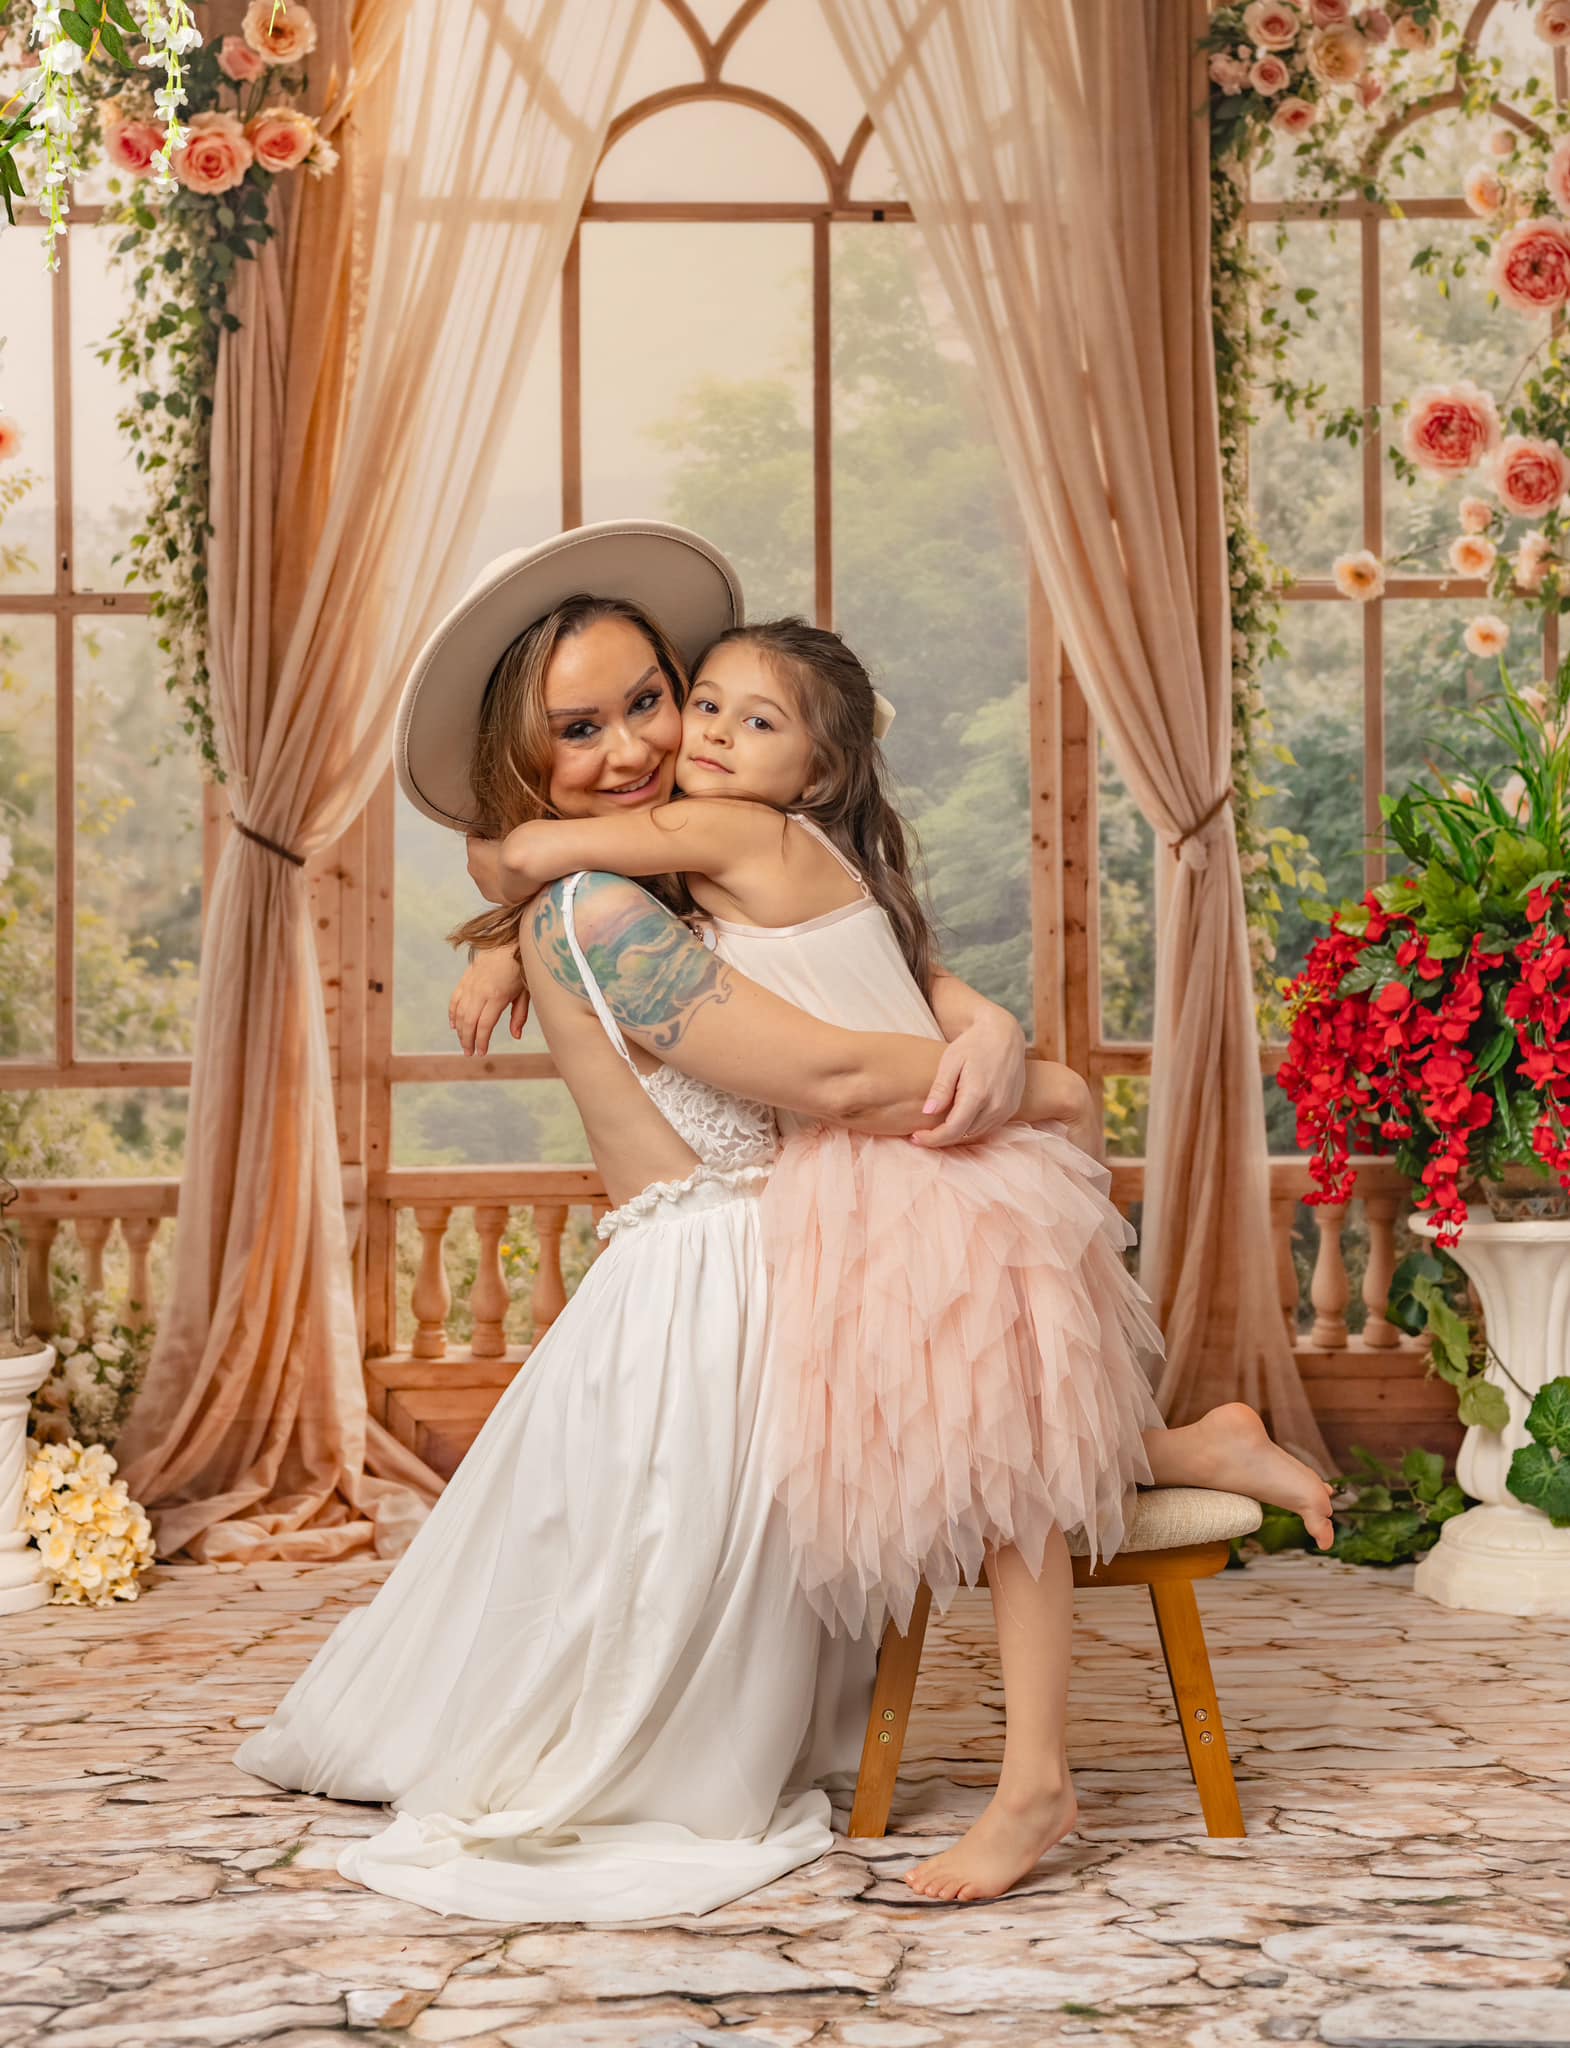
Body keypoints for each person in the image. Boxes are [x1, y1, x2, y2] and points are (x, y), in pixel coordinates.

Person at [236, 522, 1089, 1923]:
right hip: (711, 1282)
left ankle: (1108, 1609)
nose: (635, 746)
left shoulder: (675, 876)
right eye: (580, 728)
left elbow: (868, 962)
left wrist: (983, 1019)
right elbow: (819, 1069)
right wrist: (1039, 1082)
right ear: (527, 760)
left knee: (1000, 1437)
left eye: (651, 700)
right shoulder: (607, 904)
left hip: (795, 1245)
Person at [462, 609, 1338, 1904]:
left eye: (738, 721)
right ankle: (1197, 1447)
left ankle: (1034, 1778)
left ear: (811, 771)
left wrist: (502, 882)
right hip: (897, 1175)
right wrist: (508, 949)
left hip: (912, 1173)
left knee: (1006, 1477)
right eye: (699, 704)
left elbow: (527, 845)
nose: (691, 736)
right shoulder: (759, 856)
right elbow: (879, 972)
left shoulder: (741, 832)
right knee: (968, 1431)